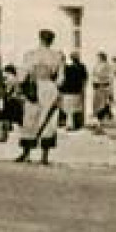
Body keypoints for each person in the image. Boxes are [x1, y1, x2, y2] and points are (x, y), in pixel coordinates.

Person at [17, 29, 65, 165]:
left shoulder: (30, 55)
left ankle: (26, 153)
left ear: (40, 39)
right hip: (50, 88)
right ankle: (44, 156)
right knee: (49, 122)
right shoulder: (57, 56)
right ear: (52, 40)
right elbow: (61, 79)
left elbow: (22, 77)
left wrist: (23, 87)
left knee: (30, 119)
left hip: (35, 88)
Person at [59, 51, 89, 131]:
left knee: (66, 108)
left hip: (67, 91)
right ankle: (76, 124)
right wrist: (83, 88)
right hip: (76, 91)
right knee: (76, 109)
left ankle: (65, 123)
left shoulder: (66, 68)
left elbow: (61, 80)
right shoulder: (81, 67)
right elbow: (85, 78)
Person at [90, 51, 116, 128]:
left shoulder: (107, 66)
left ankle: (102, 119)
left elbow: (109, 77)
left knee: (103, 103)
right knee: (97, 103)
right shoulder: (97, 65)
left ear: (102, 58)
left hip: (104, 86)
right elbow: (93, 74)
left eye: (98, 57)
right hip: (97, 86)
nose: (97, 59)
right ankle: (101, 117)